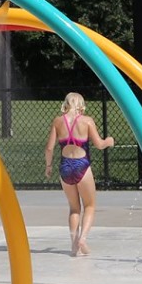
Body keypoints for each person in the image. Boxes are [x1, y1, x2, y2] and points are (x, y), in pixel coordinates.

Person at [45, 91, 114, 257]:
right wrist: (108, 141)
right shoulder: (87, 121)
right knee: (90, 206)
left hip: (65, 167)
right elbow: (98, 144)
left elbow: (49, 148)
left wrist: (48, 166)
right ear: (81, 105)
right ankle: (83, 238)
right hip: (82, 165)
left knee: (74, 208)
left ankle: (73, 243)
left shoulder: (57, 121)